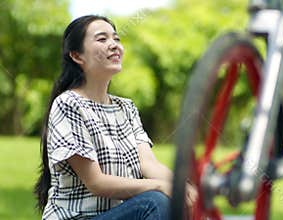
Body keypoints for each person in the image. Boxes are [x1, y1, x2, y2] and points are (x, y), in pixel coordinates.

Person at [34, 15, 197, 220]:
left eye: (116, 39)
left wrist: (184, 188)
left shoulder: (126, 107)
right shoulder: (68, 104)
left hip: (119, 214)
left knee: (178, 203)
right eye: (102, 39)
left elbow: (149, 165)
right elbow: (97, 183)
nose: (114, 45)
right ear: (77, 56)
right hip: (79, 218)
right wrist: (159, 186)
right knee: (155, 201)